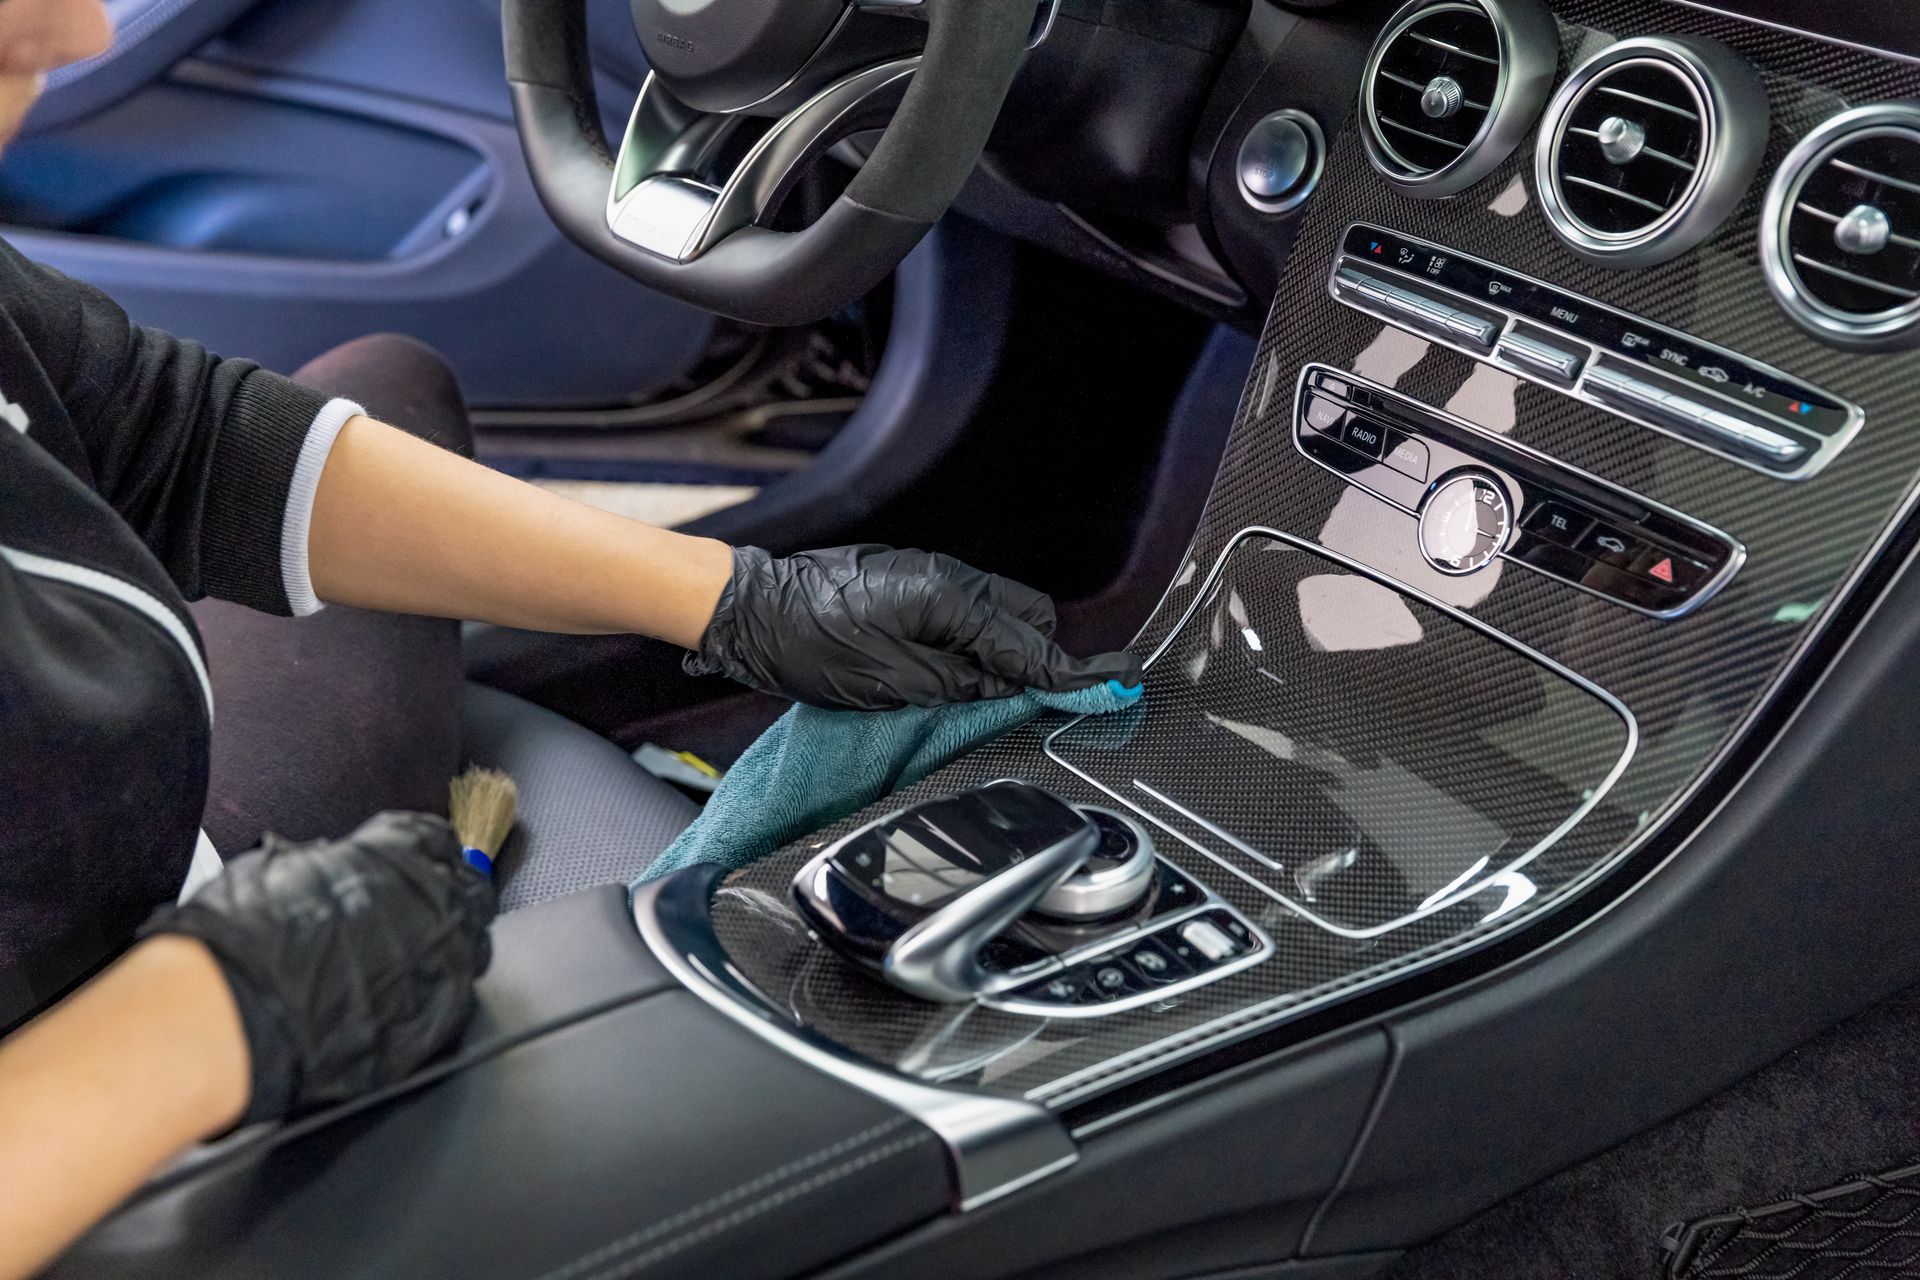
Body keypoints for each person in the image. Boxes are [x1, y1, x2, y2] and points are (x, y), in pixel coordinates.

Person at [0, 0, 1138, 1270]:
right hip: (91, 1143)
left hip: (141, 875)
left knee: (387, 386)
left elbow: (172, 433)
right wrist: (216, 1012)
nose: (71, 32)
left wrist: (731, 598)